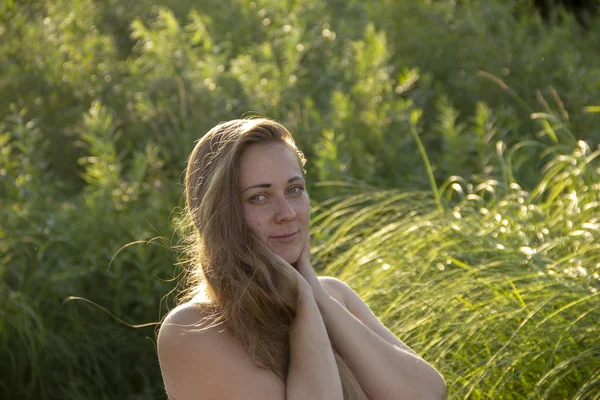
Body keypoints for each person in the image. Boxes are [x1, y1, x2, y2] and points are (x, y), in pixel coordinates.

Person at [157, 118, 446, 400]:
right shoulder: (194, 329)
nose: (287, 213)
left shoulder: (334, 294)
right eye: (259, 197)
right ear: (217, 214)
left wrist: (314, 293)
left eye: (294, 190)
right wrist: (305, 305)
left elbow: (427, 394)